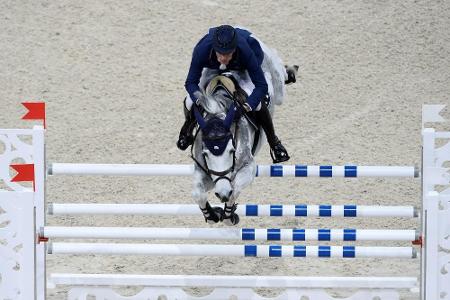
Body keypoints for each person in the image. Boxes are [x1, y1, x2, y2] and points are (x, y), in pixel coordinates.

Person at [177, 25, 292, 163]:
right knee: (189, 100)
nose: (224, 58)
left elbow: (261, 86)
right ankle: (187, 129)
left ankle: (274, 143)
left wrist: (247, 106)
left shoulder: (246, 50)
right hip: (213, 68)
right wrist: (200, 100)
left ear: (235, 49)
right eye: (220, 53)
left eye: (228, 54)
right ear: (214, 49)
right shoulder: (202, 50)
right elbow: (190, 82)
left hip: (243, 68)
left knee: (258, 104)